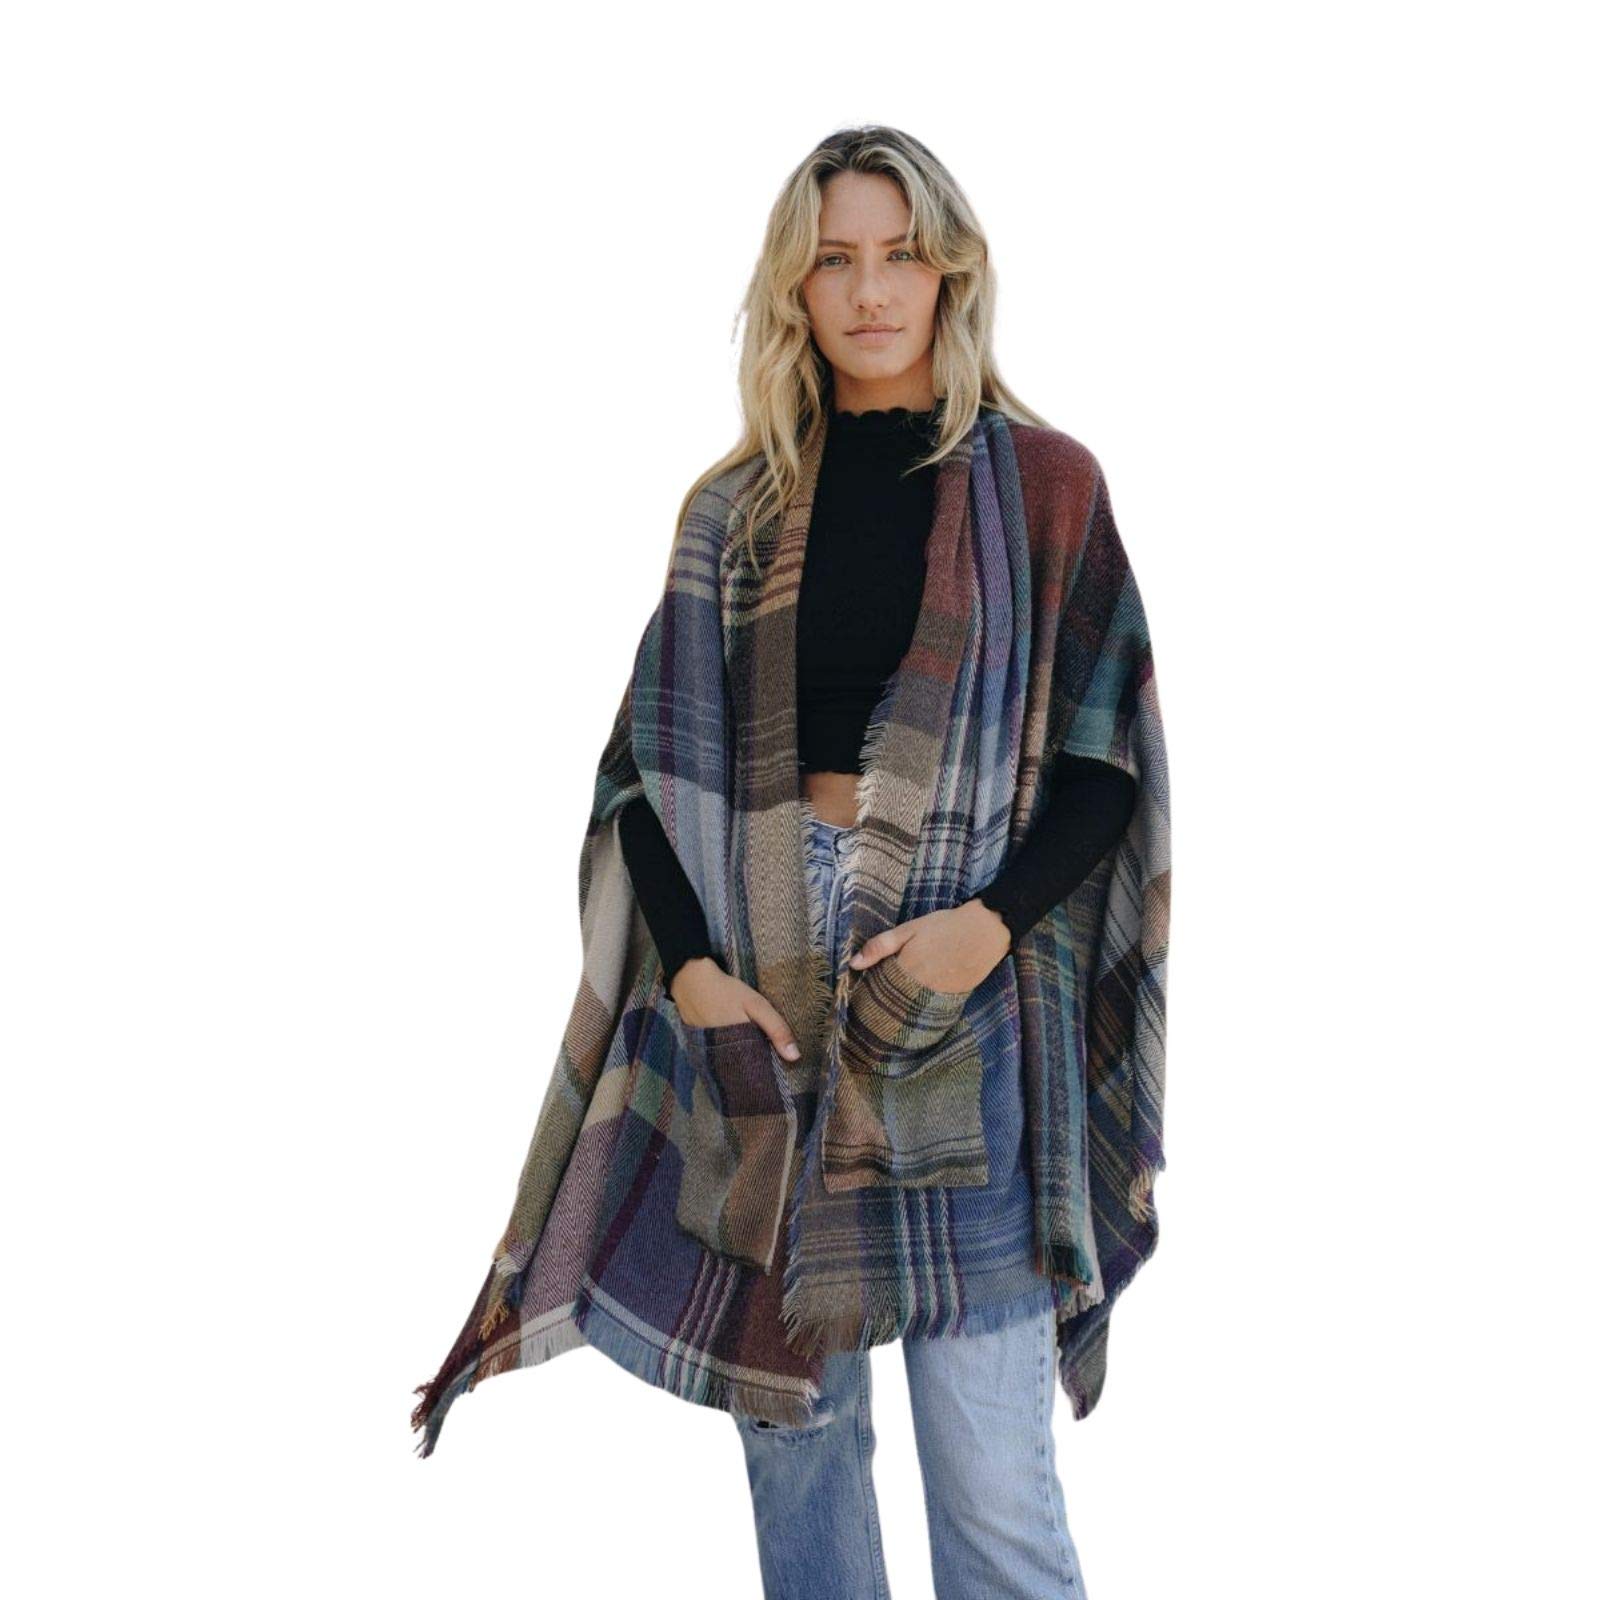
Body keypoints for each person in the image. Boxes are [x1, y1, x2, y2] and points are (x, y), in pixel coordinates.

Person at [614, 128, 1131, 1599]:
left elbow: (1105, 763)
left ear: (949, 270)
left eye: (900, 254)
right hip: (766, 991)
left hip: (959, 990)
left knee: (995, 1489)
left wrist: (990, 926)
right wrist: (694, 972)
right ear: (796, 288)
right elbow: (643, 776)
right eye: (834, 259)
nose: (870, 290)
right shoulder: (737, 509)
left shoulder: (1045, 488)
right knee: (804, 1457)